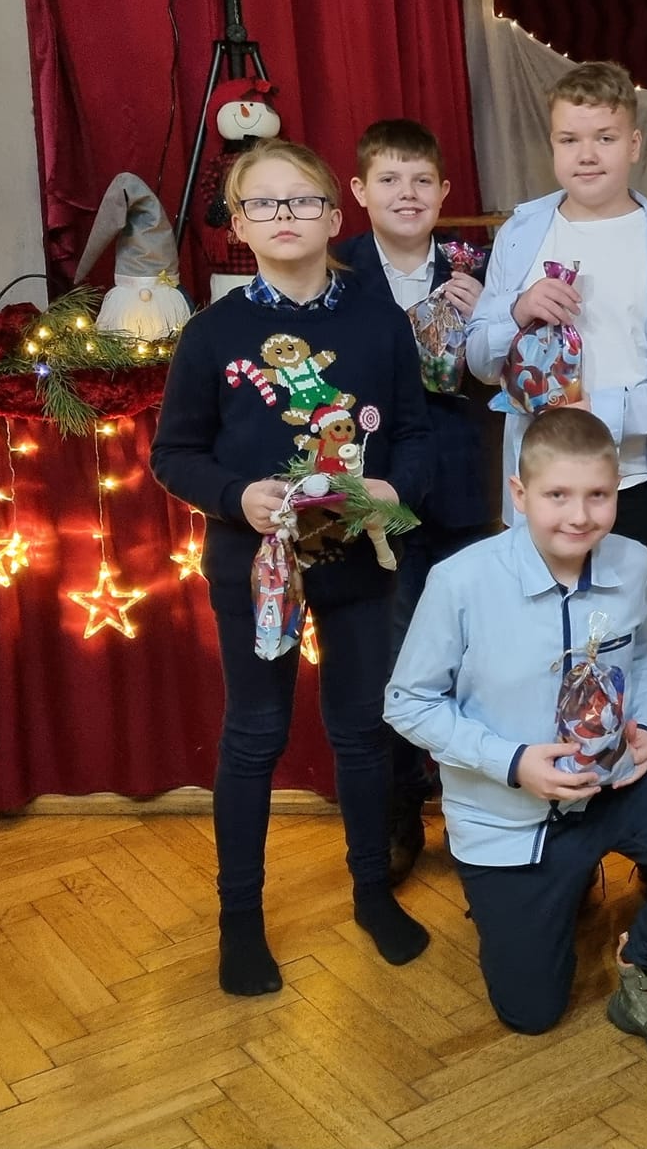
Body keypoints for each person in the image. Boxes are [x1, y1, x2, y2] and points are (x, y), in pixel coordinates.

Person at [151, 139, 434, 997]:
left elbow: (415, 434)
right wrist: (237, 497)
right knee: (254, 734)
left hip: (356, 559)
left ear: (334, 214)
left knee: (361, 730)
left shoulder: (378, 322)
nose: (285, 216)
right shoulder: (212, 334)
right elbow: (174, 455)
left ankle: (371, 891)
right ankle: (240, 919)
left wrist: (391, 486)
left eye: (302, 200)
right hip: (255, 568)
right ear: (238, 225)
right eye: (263, 203)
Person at [383, 408, 647, 1067]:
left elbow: (643, 659)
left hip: (613, 786)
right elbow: (407, 703)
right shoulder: (460, 582)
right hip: (511, 815)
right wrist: (513, 762)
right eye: (557, 496)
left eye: (597, 495)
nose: (579, 516)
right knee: (531, 1013)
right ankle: (549, 895)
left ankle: (646, 972)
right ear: (519, 495)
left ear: (616, 492)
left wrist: (646, 723)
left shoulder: (633, 562)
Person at [464, 62, 647, 773]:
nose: (587, 155)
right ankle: (561, 816)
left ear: (634, 144)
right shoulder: (524, 232)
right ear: (551, 145)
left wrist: (603, 414)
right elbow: (481, 358)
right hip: (548, 490)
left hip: (642, 484)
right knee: (543, 652)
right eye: (570, 139)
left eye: (605, 138)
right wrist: (517, 310)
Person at [341, 117, 498, 880]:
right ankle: (400, 815)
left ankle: (479, 820)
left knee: (476, 658)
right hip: (377, 499)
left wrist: (489, 317)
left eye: (421, 180)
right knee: (393, 664)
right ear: (359, 191)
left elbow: (508, 370)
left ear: (443, 192)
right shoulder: (338, 276)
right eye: (390, 179)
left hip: (465, 492)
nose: (407, 193)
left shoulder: (476, 268)